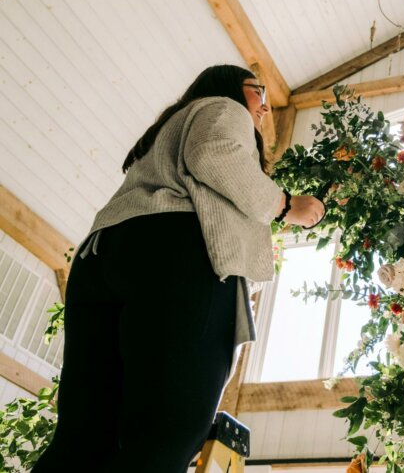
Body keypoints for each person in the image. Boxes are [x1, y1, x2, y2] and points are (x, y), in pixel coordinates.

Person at [32, 65, 324, 472]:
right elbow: (215, 155)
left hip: (102, 256)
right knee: (167, 435)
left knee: (83, 439)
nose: (264, 109)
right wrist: (286, 205)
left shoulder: (168, 130)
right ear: (231, 87)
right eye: (259, 93)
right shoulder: (224, 108)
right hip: (177, 256)